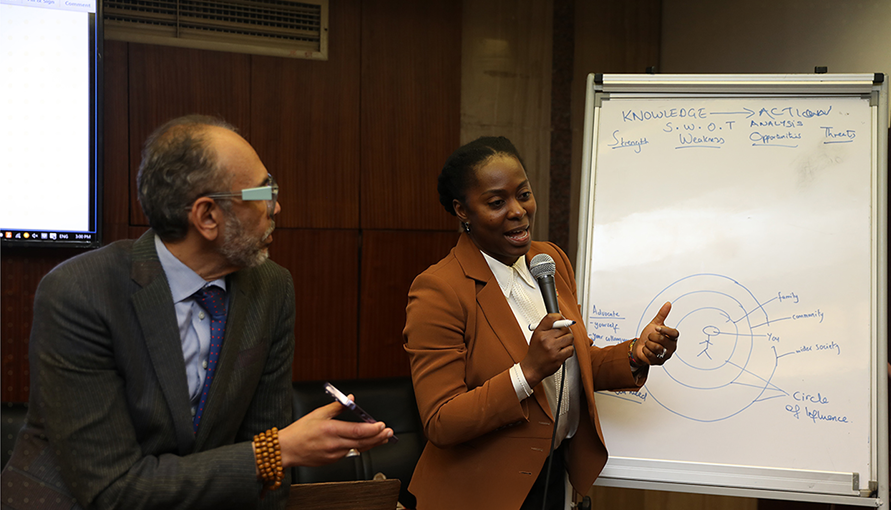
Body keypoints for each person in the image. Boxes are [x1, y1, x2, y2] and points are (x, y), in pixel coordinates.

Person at [0, 115, 392, 510]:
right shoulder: (82, 293)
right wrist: (274, 451)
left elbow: (265, 456)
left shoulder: (271, 287)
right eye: (261, 192)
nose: (275, 205)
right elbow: (113, 490)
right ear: (207, 217)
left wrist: (272, 455)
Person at [403, 136, 679, 510]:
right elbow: (441, 421)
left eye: (524, 194)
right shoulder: (439, 290)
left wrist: (636, 353)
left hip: (554, 479)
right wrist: (528, 371)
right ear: (462, 210)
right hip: (479, 492)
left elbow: (572, 364)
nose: (518, 211)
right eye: (497, 203)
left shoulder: (549, 260)